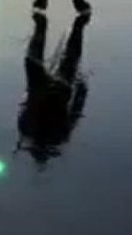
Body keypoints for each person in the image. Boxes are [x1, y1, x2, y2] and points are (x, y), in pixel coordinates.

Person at [17, 13, 90, 166]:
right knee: (39, 60)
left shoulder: (32, 131)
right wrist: (81, 91)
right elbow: (75, 111)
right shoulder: (32, 131)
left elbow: (75, 111)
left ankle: (51, 26)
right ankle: (49, 26)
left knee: (66, 60)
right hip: (55, 90)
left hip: (49, 90)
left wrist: (82, 91)